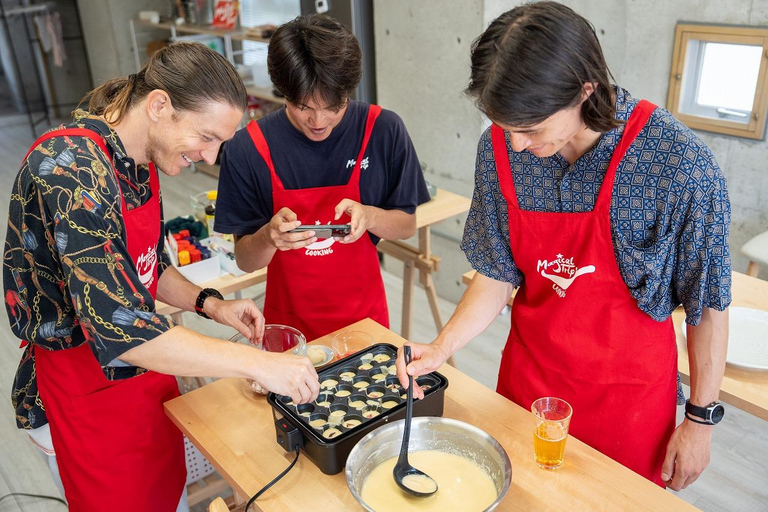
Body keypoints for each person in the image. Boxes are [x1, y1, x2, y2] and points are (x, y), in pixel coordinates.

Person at [396, 1, 730, 491]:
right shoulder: (501, 148)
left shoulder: (678, 165)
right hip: (528, 392)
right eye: (505, 128)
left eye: (529, 129)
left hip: (629, 407)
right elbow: (496, 270)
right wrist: (442, 347)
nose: (514, 145)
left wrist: (700, 422)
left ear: (584, 89)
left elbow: (708, 305)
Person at [3, 42, 319, 512]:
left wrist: (210, 303)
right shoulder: (70, 172)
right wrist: (262, 364)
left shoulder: (141, 159)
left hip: (143, 379)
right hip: (84, 392)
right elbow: (122, 329)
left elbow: (146, 263)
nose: (211, 158)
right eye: (207, 137)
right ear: (159, 106)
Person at [215, 14, 430, 342]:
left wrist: (368, 216)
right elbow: (245, 260)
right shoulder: (248, 148)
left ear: (348, 90)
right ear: (283, 90)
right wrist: (268, 237)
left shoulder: (383, 130)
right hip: (289, 327)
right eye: (303, 106)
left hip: (365, 320)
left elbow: (406, 224)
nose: (319, 121)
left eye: (334, 106)